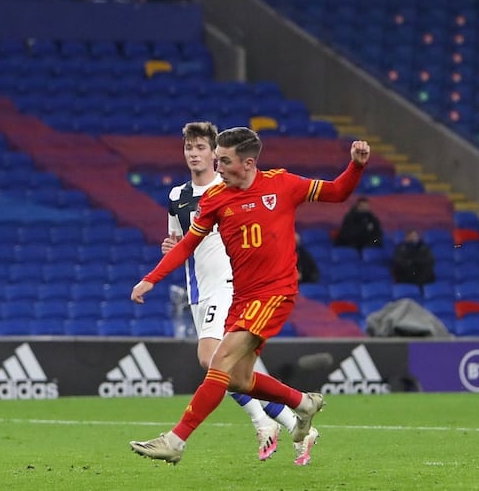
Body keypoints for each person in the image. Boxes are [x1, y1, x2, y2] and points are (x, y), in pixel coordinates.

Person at [130, 127, 371, 465]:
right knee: (240, 380)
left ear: (247, 163)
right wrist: (150, 279)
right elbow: (186, 244)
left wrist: (356, 166)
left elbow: (337, 192)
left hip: (275, 292)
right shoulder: (215, 199)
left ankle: (175, 440)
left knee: (220, 361)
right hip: (243, 297)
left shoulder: (282, 184)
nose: (218, 166)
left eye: (224, 160)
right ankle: (302, 403)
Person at [162, 122, 302, 463]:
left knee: (213, 360)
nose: (194, 154)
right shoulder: (177, 197)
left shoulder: (227, 189)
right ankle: (294, 420)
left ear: (215, 154)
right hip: (199, 288)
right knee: (239, 372)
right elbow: (180, 242)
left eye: (200, 148)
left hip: (231, 285)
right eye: (188, 148)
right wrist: (172, 247)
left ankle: (263, 422)